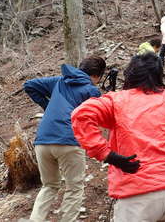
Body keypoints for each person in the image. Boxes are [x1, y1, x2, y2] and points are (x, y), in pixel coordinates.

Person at [71, 52, 165, 222]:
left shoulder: (117, 101)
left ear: (130, 74)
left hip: (137, 192)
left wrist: (107, 155)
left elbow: (81, 115)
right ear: (159, 76)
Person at [23, 56, 106, 222]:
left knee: (49, 185)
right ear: (97, 75)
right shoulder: (92, 90)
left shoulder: (60, 81)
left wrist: (49, 107)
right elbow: (94, 119)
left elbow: (29, 85)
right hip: (69, 140)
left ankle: (35, 219)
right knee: (74, 188)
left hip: (43, 141)